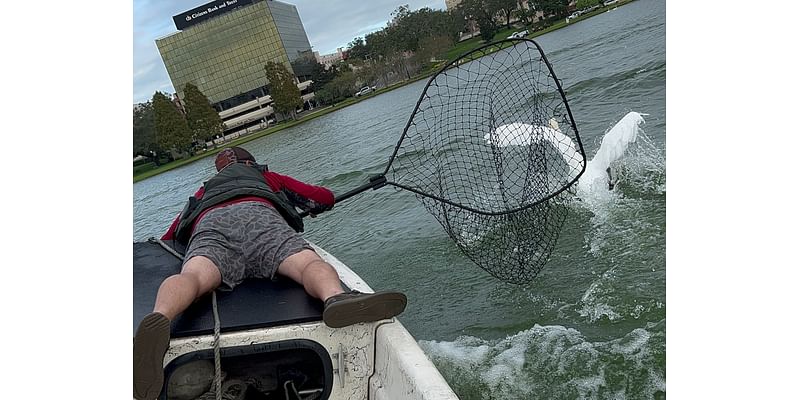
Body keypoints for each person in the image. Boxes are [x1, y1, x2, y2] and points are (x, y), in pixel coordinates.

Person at [133, 147, 407, 400]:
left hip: (213, 223)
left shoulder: (204, 192)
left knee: (193, 277)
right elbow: (321, 197)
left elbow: (170, 237)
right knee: (305, 264)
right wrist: (317, 204)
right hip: (260, 216)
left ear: (219, 171)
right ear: (250, 163)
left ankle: (161, 317)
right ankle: (335, 298)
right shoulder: (266, 176)